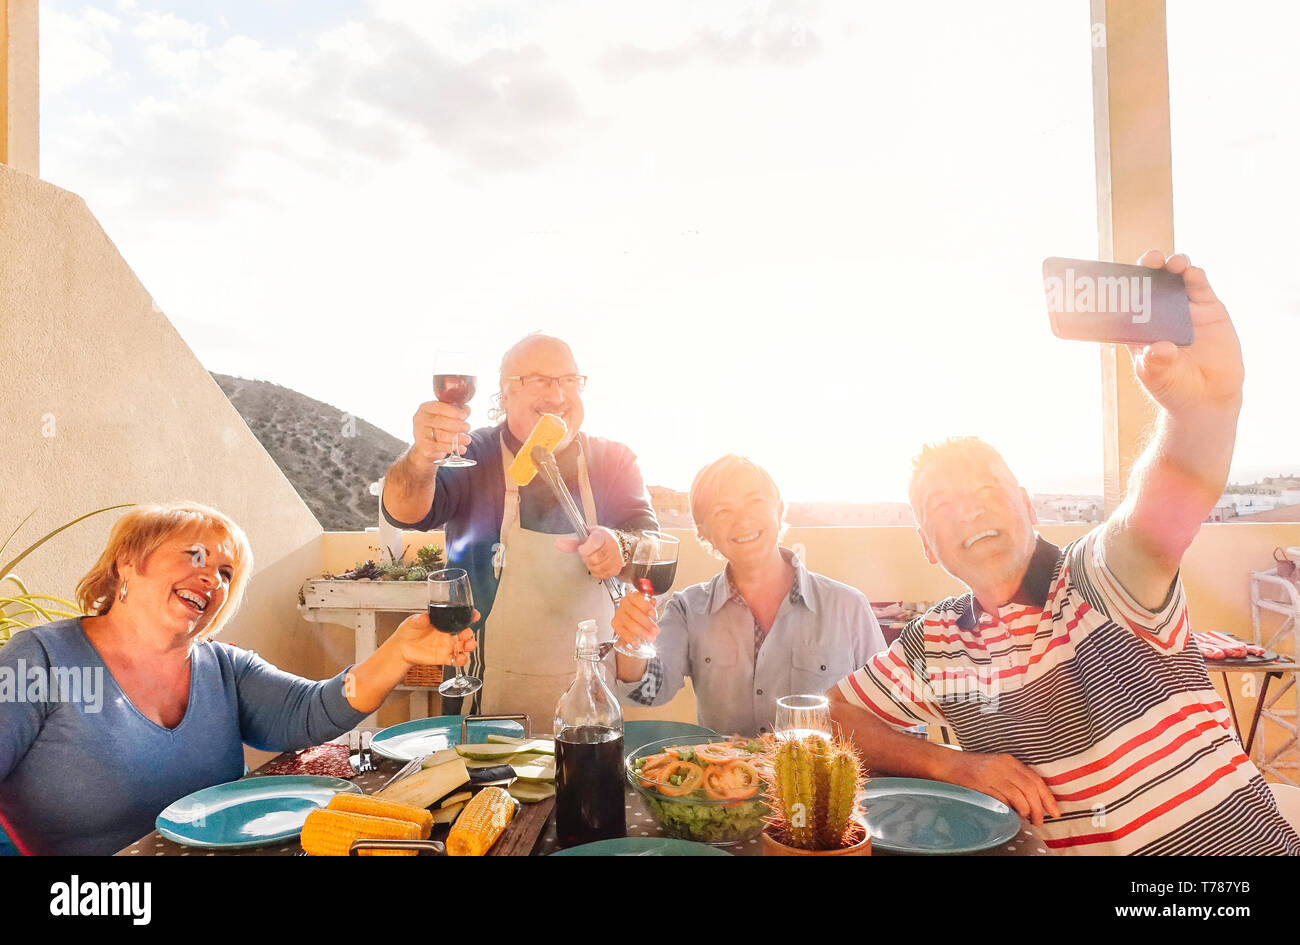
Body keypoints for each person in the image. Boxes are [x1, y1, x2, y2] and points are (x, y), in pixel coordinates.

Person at [828, 252, 1300, 855]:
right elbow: (834, 714)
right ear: (926, 544)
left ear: (1027, 506)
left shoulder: (1097, 580)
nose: (969, 510)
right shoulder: (934, 642)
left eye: (986, 490)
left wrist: (1202, 411)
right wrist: (956, 766)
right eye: (940, 504)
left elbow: (1158, 511)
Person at [0, 502, 475, 856]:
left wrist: (399, 651)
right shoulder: (40, 659)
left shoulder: (224, 667)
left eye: (226, 572)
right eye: (195, 556)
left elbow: (312, 710)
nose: (213, 579)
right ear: (129, 561)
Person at [381, 333, 657, 725]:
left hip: (591, 703)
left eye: (569, 380)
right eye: (540, 380)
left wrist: (621, 545)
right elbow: (405, 511)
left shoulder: (614, 461)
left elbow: (650, 541)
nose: (558, 395)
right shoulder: (472, 453)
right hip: (486, 705)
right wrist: (422, 458)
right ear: (505, 394)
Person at [611, 455, 886, 736]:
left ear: (779, 510)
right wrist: (631, 637)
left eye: (754, 502)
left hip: (820, 778)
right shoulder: (687, 610)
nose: (743, 520)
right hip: (726, 779)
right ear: (704, 532)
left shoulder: (848, 607)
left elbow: (890, 714)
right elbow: (648, 691)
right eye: (722, 511)